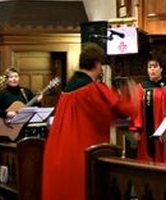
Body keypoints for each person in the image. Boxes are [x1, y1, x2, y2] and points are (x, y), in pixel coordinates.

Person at [41, 43, 138, 200]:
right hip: (80, 152)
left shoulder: (68, 88)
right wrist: (131, 96)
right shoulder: (92, 89)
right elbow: (117, 111)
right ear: (98, 64)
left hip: (58, 150)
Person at [0, 67, 42, 139]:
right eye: (11, 77)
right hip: (7, 128)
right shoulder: (2, 93)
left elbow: (34, 109)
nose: (14, 79)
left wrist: (38, 101)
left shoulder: (26, 92)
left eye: (16, 76)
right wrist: (6, 114)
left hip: (23, 128)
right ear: (6, 80)